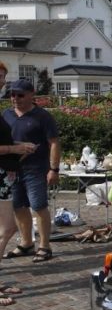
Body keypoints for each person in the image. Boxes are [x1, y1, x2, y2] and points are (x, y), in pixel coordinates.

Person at [1, 79, 60, 263]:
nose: (15, 98)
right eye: (12, 95)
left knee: (38, 206)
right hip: (13, 169)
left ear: (31, 94)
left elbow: (54, 143)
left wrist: (54, 169)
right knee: (19, 207)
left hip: (36, 168)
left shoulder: (42, 116)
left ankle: (45, 246)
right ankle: (26, 243)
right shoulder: (7, 115)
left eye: (20, 95)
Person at [0, 64, 38, 300]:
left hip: (5, 172)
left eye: (3, 76)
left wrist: (19, 152)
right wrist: (16, 148)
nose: (2, 80)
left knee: (6, 228)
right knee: (7, 228)